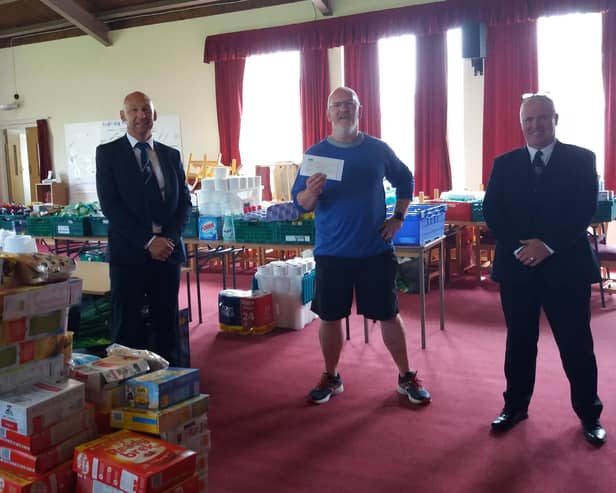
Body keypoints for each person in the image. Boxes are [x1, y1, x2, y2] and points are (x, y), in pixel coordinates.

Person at [291, 86, 431, 406]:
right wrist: (311, 193)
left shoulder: (377, 150)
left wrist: (398, 217)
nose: (343, 110)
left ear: (360, 110)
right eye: (336, 105)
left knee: (388, 314)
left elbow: (405, 180)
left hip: (374, 250)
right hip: (332, 252)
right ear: (328, 114)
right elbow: (299, 204)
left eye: (349, 104)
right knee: (330, 317)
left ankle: (405, 375)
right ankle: (331, 375)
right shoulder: (316, 155)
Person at [483, 94, 605, 445]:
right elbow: (493, 211)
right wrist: (521, 247)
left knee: (576, 344)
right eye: (528, 120)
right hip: (517, 267)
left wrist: (546, 245)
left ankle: (588, 413)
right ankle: (515, 406)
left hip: (566, 267)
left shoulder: (581, 159)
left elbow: (584, 209)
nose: (535, 125)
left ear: (555, 118)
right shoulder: (504, 163)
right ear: (521, 124)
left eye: (541, 118)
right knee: (519, 342)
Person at [96, 91, 192, 365]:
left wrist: (167, 240)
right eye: (134, 110)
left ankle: (168, 384)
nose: (141, 116)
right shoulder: (108, 154)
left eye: (146, 110)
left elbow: (184, 203)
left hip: (168, 255)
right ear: (123, 115)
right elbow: (111, 207)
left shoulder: (171, 155)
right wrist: (149, 241)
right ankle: (126, 388)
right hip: (129, 255)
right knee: (127, 326)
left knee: (166, 324)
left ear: (155, 114)